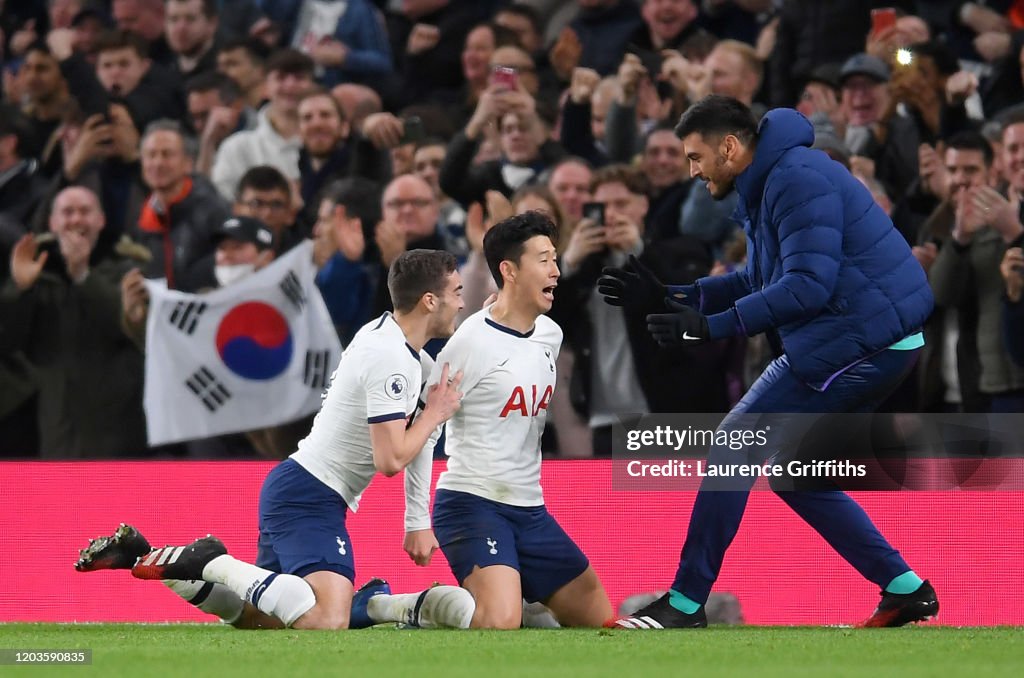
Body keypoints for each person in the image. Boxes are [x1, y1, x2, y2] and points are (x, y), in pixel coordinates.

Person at [600, 96, 937, 628]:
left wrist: (709, 326)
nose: (692, 171)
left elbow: (806, 287)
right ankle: (905, 589)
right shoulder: (772, 180)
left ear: (730, 147)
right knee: (794, 473)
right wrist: (672, 293)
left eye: (695, 157)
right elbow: (762, 280)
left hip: (862, 341)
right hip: (855, 339)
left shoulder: (794, 180)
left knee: (733, 447)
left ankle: (686, 603)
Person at [77, 249, 476, 631]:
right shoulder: (389, 357)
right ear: (429, 300)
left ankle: (142, 555)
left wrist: (416, 520)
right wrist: (434, 413)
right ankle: (212, 562)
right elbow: (391, 458)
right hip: (308, 494)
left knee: (260, 617)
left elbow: (423, 436)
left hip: (300, 488)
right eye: (457, 292)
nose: (461, 303)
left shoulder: (402, 350)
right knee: (325, 617)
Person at [422, 211, 614, 628]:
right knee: (498, 622)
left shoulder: (550, 334)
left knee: (599, 621)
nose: (556, 272)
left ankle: (526, 608)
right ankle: (415, 608)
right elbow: (424, 429)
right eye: (543, 260)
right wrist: (416, 520)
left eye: (555, 259)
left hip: (530, 509)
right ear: (509, 270)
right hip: (471, 502)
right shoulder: (470, 342)